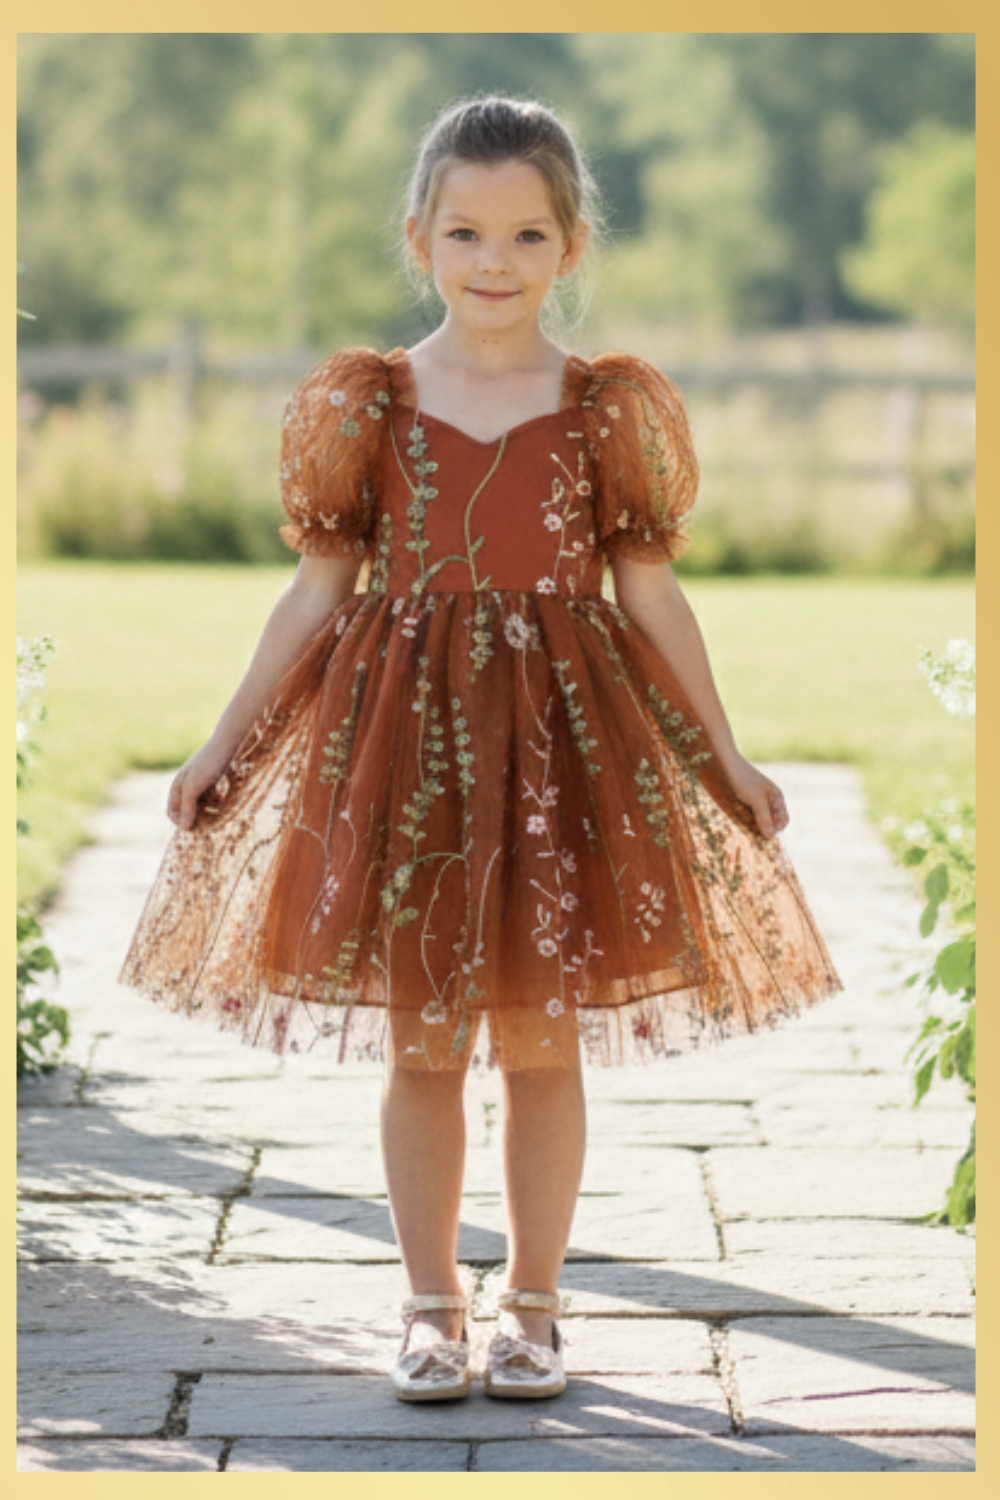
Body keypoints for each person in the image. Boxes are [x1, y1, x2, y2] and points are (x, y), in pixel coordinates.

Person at [119, 96, 842, 1403]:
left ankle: (539, 1309)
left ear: (571, 244)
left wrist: (725, 754)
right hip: (403, 750)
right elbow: (314, 588)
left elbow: (653, 594)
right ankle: (430, 1307)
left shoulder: (603, 407)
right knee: (422, 1042)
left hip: (565, 750)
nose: (492, 260)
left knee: (543, 1040)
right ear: (419, 238)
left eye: (524, 233)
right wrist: (224, 738)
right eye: (465, 231)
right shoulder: (373, 405)